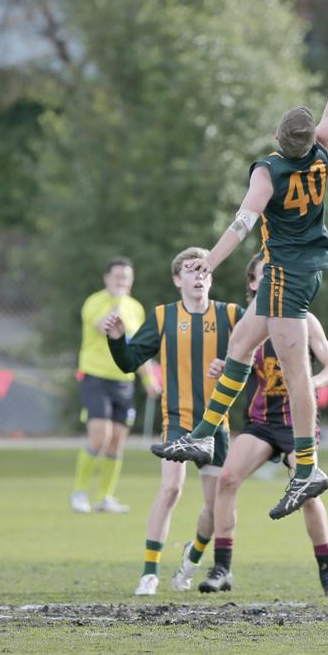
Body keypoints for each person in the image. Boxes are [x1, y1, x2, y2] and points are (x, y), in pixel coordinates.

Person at [151, 1, 328, 521]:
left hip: (288, 273)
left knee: (293, 372)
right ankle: (202, 438)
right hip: (299, 265)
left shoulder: (267, 173)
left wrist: (210, 263)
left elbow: (241, 224)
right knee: (242, 342)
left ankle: (308, 466)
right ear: (309, 138)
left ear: (276, 140)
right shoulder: (323, 149)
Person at [199, 254, 328, 596]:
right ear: (253, 283)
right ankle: (221, 570)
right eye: (266, 275)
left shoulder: (304, 319)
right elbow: (240, 363)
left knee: (308, 495)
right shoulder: (249, 326)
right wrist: (224, 368)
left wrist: (314, 383)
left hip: (299, 425)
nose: (274, 279)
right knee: (226, 480)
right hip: (262, 421)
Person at [102, 248, 243, 596]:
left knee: (214, 506)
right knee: (170, 489)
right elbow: (129, 362)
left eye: (204, 271)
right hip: (178, 422)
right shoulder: (164, 317)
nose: (199, 277)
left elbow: (253, 363)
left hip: (216, 426)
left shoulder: (231, 316)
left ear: (211, 277)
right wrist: (118, 338)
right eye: (191, 271)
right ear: (177, 280)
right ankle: (149, 572)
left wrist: (230, 366)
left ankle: (191, 559)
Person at [71, 257, 159, 515]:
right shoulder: (95, 302)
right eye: (117, 276)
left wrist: (149, 379)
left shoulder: (135, 307)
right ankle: (78, 493)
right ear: (106, 278)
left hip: (124, 382)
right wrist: (117, 302)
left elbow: (138, 348)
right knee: (100, 437)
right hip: (96, 378)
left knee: (117, 442)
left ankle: (105, 497)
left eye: (126, 277)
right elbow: (103, 326)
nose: (122, 281)